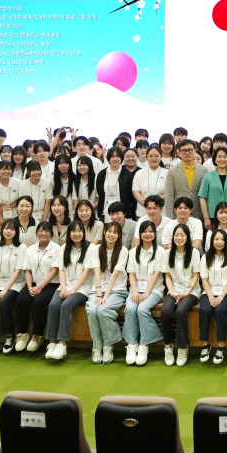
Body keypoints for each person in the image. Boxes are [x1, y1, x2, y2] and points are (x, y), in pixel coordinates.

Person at [44, 221, 98, 360]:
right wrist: (63, 288)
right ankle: (52, 342)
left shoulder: (91, 247)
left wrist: (73, 289)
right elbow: (61, 270)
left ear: (83, 232)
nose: (77, 234)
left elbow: (87, 271)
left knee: (66, 305)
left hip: (83, 288)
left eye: (80, 231)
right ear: (69, 233)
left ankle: (62, 343)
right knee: (53, 305)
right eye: (73, 231)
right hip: (65, 286)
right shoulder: (63, 248)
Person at [86, 221, 129, 364]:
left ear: (119, 235)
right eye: (109, 231)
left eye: (115, 232)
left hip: (117, 290)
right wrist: (99, 294)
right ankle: (96, 346)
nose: (112, 234)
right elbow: (97, 272)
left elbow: (114, 275)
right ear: (104, 232)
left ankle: (108, 345)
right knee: (92, 310)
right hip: (98, 289)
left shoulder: (123, 250)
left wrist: (105, 296)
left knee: (103, 310)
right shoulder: (96, 249)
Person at [160, 223, 200, 367]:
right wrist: (171, 292)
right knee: (165, 311)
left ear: (188, 237)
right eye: (176, 235)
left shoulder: (194, 253)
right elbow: (167, 276)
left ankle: (182, 347)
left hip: (191, 291)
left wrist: (187, 291)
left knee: (181, 311)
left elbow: (195, 276)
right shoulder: (167, 253)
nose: (179, 238)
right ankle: (168, 346)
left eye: (182, 235)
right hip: (173, 290)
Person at [0, 220, 27, 353]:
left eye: (12, 229)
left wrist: (5, 290)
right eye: (6, 228)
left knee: (4, 300)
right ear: (2, 230)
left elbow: (17, 271)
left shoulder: (22, 248)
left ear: (16, 232)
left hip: (16, 284)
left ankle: (9, 336)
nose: (8, 231)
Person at [18, 221, 60, 355]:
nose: (43, 233)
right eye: (40, 231)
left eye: (46, 231)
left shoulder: (56, 249)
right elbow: (27, 270)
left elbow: (54, 271)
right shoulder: (30, 249)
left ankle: (37, 335)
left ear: (51, 233)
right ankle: (22, 334)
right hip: (33, 283)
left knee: (39, 300)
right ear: (36, 233)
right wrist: (30, 286)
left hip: (51, 284)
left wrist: (40, 287)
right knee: (21, 299)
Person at [198, 228, 227, 364]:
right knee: (205, 310)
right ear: (212, 241)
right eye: (216, 239)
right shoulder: (205, 257)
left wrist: (221, 296)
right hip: (208, 292)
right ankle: (205, 345)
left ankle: (221, 346)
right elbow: (204, 280)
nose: (219, 242)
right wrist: (210, 296)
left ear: (226, 241)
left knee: (220, 310)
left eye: (222, 239)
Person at [197, 147, 227, 231]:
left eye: (225, 156)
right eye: (219, 157)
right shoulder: (208, 176)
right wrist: (206, 218)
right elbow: (202, 197)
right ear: (215, 160)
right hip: (212, 216)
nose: (222, 159)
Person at [132, 146, 168, 211]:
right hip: (143, 211)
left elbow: (170, 191)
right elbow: (136, 192)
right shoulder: (139, 173)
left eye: (156, 156)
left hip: (162, 210)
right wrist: (147, 205)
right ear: (146, 157)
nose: (153, 158)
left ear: (161, 157)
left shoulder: (167, 173)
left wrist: (158, 201)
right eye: (150, 156)